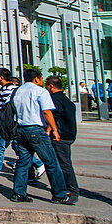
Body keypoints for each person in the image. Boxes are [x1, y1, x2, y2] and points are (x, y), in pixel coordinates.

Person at [9, 69, 70, 204]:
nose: (42, 82)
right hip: (36, 129)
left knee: (23, 162)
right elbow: (47, 112)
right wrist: (54, 129)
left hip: (20, 129)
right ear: (36, 79)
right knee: (51, 162)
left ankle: (18, 193)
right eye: (41, 79)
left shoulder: (17, 91)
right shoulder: (40, 91)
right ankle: (59, 194)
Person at [45, 76, 78, 205]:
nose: (46, 88)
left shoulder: (55, 99)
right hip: (69, 134)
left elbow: (55, 116)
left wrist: (50, 130)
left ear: (51, 86)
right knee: (63, 162)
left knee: (64, 163)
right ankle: (66, 187)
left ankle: (72, 190)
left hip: (61, 136)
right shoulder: (65, 99)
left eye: (47, 85)